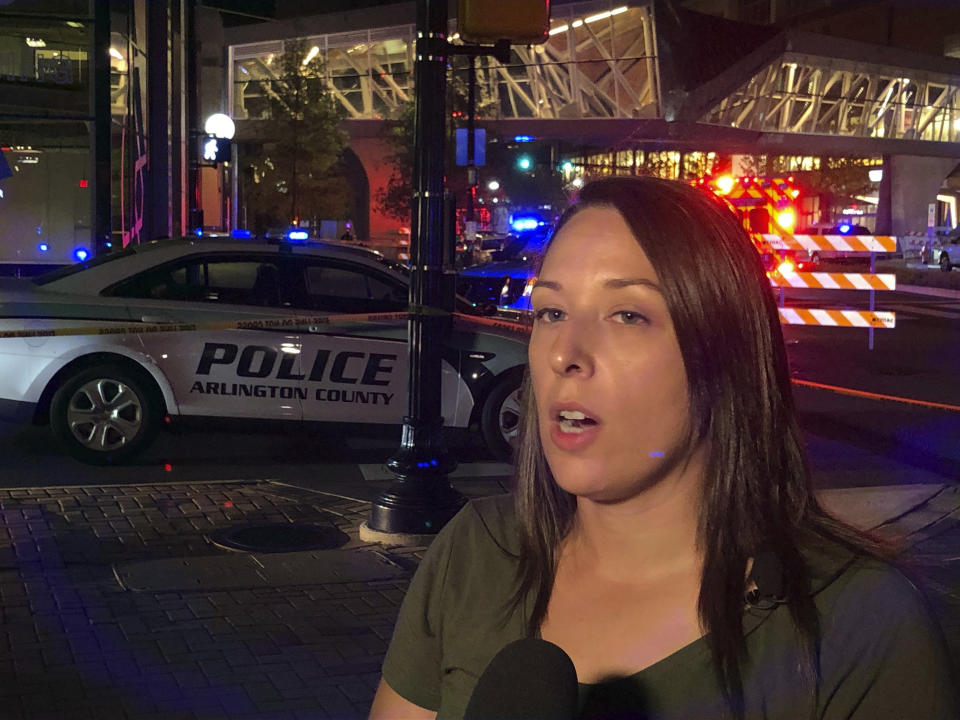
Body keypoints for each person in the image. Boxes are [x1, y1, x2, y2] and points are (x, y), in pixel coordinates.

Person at [368, 177, 958, 720]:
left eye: (628, 314)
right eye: (550, 311)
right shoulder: (478, 552)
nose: (562, 353)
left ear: (725, 356)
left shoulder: (859, 623)